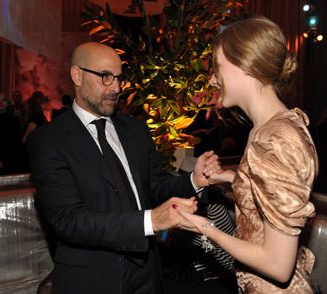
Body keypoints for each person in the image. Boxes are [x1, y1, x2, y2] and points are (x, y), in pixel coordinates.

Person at [27, 42, 220, 294]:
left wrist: (193, 181)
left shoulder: (136, 131)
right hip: (91, 279)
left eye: (118, 78)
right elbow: (69, 220)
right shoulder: (49, 140)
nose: (116, 88)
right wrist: (150, 221)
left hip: (147, 272)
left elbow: (155, 188)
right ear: (77, 75)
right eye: (105, 77)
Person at [174, 16, 319, 293]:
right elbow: (268, 191)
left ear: (246, 67)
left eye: (217, 68)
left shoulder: (275, 140)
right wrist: (230, 177)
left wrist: (205, 228)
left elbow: (278, 265)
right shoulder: (265, 129)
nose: (213, 80)